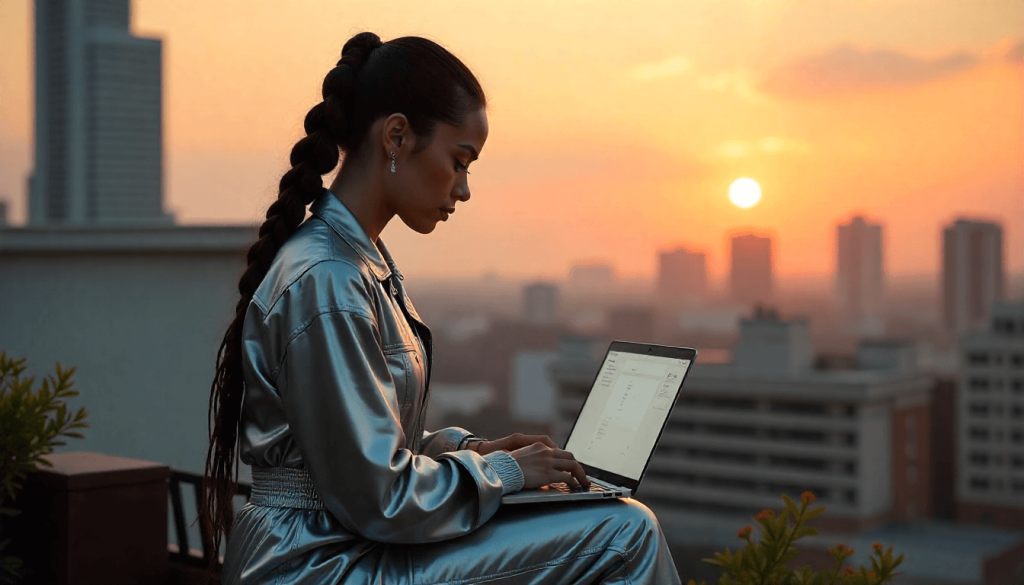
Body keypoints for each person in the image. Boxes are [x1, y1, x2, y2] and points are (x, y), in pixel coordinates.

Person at [201, 32, 681, 585]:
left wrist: (473, 448)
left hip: (342, 541)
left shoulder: (357, 263)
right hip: (316, 563)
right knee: (625, 535)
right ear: (398, 137)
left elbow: (361, 450)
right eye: (459, 162)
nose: (465, 189)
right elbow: (377, 496)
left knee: (609, 521)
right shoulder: (328, 280)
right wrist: (503, 472)